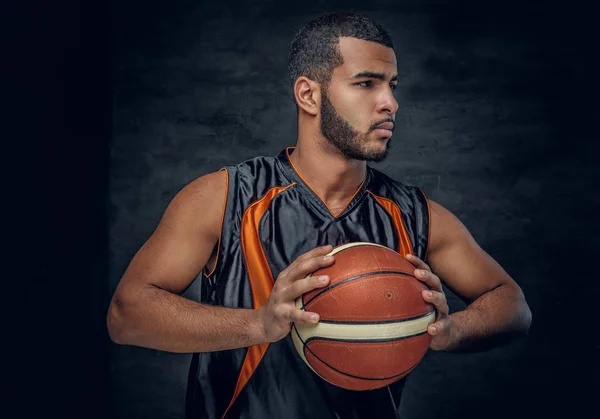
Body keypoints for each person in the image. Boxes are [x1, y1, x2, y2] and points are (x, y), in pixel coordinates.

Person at [107, 12, 532, 419]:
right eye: (366, 83)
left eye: (392, 85)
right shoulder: (223, 197)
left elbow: (512, 304)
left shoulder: (416, 214)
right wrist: (258, 324)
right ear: (308, 94)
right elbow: (127, 315)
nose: (390, 103)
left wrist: (453, 331)